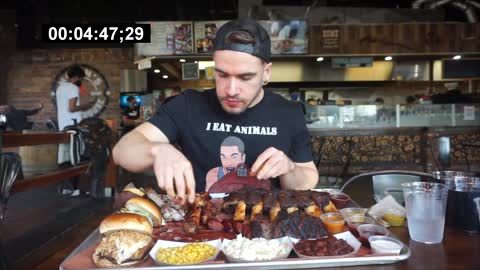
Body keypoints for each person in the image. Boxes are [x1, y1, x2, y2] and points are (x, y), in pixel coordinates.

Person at [113, 18, 319, 204]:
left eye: (245, 77)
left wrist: (289, 168)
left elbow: (307, 180)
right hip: (201, 232)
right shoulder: (187, 105)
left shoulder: (288, 113)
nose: (231, 90)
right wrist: (157, 150)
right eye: (222, 75)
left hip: (268, 237)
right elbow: (122, 151)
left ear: (266, 73)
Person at [55, 65, 91, 196]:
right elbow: (71, 108)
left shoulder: (60, 88)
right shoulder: (72, 88)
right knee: (75, 157)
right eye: (81, 78)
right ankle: (74, 189)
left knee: (64, 158)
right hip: (73, 127)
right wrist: (86, 106)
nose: (81, 81)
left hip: (63, 127)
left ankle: (65, 188)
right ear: (76, 77)